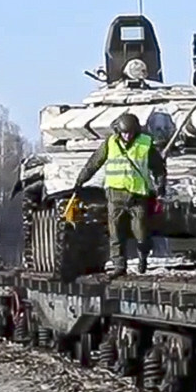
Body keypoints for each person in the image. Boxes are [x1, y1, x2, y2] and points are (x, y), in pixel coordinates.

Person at [73, 111, 167, 275]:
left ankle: (143, 255)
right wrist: (81, 180)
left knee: (141, 232)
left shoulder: (145, 144)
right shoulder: (110, 143)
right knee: (115, 232)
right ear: (118, 131)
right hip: (115, 195)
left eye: (130, 133)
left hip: (138, 195)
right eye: (124, 133)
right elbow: (94, 163)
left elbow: (158, 168)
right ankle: (119, 265)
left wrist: (161, 185)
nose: (127, 136)